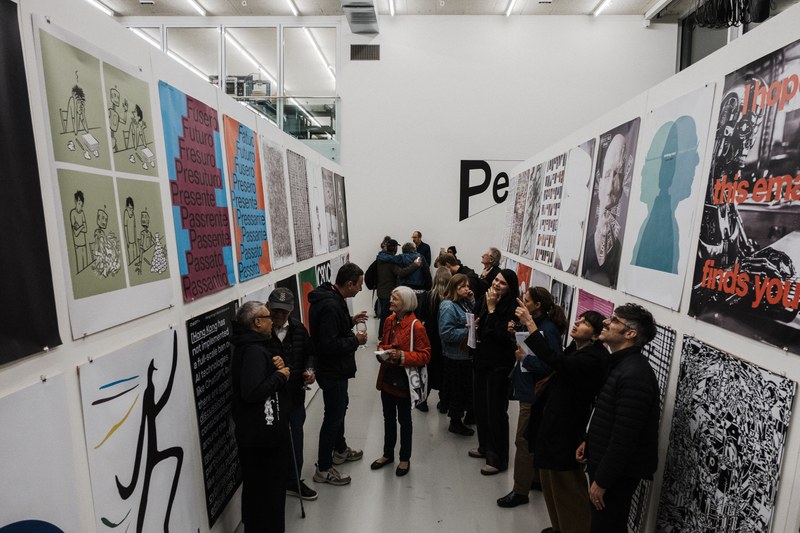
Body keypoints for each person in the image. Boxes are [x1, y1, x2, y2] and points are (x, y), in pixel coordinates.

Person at [521, 309, 609, 533]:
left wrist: (531, 326)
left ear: (595, 335)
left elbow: (556, 361)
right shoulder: (577, 348)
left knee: (567, 490)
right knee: (551, 483)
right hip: (553, 427)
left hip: (567, 433)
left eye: (585, 322)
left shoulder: (595, 358)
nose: (577, 323)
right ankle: (559, 527)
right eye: (579, 319)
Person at [577, 303, 659, 533]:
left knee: (607, 526)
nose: (605, 322)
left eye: (614, 321)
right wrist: (589, 440)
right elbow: (608, 414)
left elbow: (625, 437)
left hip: (616, 474)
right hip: (606, 464)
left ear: (630, 333)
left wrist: (603, 481)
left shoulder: (634, 375)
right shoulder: (621, 364)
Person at [498, 286, 566, 509]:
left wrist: (524, 359)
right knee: (531, 438)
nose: (523, 303)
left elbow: (551, 365)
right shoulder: (538, 326)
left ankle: (520, 491)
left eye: (526, 300)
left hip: (534, 394)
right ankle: (534, 479)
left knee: (523, 441)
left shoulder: (547, 330)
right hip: (530, 390)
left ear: (537, 305)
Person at [230, 301, 290, 533]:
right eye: (267, 317)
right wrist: (280, 376)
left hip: (260, 435)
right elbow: (252, 391)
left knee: (260, 491)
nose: (272, 321)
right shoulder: (253, 350)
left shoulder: (256, 345)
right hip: (262, 438)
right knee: (267, 493)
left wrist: (276, 366)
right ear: (257, 322)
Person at [308, 263, 369, 486]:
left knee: (339, 409)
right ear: (349, 284)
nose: (361, 289)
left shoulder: (331, 298)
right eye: (359, 285)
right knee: (333, 417)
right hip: (332, 370)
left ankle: (340, 450)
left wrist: (349, 321)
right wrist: (356, 340)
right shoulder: (331, 305)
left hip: (335, 369)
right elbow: (328, 344)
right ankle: (324, 469)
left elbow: (331, 330)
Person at [371, 286, 431, 476]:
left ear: (406, 303)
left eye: (395, 298)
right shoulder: (389, 320)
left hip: (405, 382)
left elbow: (425, 355)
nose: (391, 301)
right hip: (388, 378)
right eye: (391, 297)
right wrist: (384, 351)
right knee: (388, 418)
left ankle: (405, 458)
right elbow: (383, 343)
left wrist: (402, 356)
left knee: (405, 421)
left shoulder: (416, 326)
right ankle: (387, 454)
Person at [267, 287, 318, 501]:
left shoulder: (298, 329)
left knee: (296, 437)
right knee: (273, 441)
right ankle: (274, 481)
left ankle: (294, 480)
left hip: (295, 395)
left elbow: (310, 354)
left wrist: (310, 370)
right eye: (275, 310)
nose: (279, 315)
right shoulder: (261, 332)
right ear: (268, 308)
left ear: (291, 310)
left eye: (284, 311)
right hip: (270, 399)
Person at [471, 269, 519, 475]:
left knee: (496, 412)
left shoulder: (513, 308)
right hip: (482, 360)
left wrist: (491, 310)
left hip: (499, 365)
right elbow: (478, 321)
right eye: (497, 280)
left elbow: (501, 335)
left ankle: (497, 459)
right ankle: (484, 446)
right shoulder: (485, 298)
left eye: (503, 283)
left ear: (510, 288)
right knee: (481, 407)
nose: (497, 284)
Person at [438, 273, 476, 436]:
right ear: (454, 288)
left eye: (467, 286)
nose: (467, 289)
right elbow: (446, 333)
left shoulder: (463, 302)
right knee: (457, 390)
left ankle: (463, 416)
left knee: (464, 388)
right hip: (455, 356)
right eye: (462, 286)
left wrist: (472, 300)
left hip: (464, 354)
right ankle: (455, 422)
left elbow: (472, 315)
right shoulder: (448, 306)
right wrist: (468, 330)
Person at [417, 266, 452, 414]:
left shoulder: (427, 296)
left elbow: (421, 317)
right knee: (445, 371)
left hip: (430, 338)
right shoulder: (452, 298)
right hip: (446, 340)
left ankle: (423, 401)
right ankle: (444, 403)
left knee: (428, 371)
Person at [376, 239, 421, 334]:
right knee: (386, 316)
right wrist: (415, 265)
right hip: (388, 292)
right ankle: (382, 335)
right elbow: (402, 272)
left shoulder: (380, 258)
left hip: (381, 290)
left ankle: (381, 335)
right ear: (395, 248)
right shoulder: (391, 261)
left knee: (383, 315)